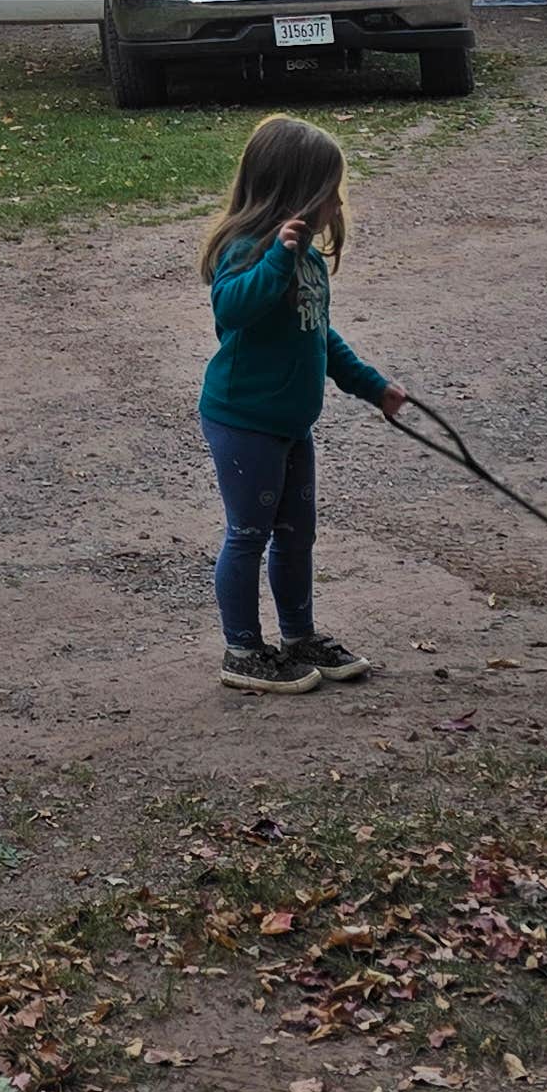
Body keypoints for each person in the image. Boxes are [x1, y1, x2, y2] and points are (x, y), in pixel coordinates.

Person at [196, 114, 404, 693]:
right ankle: (242, 649)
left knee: (296, 534)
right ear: (298, 196)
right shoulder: (245, 253)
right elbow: (232, 309)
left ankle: (297, 637)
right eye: (330, 192)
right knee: (247, 534)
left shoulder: (307, 260)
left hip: (290, 425)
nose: (338, 203)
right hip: (244, 422)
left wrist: (372, 386)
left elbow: (319, 334)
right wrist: (277, 261)